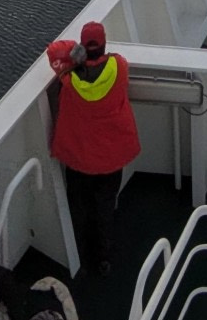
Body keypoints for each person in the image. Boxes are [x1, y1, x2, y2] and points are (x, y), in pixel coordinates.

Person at [47, 19, 141, 277]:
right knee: (105, 205)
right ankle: (104, 258)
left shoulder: (68, 77)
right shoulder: (119, 67)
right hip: (111, 158)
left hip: (79, 158)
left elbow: (53, 49)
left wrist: (75, 54)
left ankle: (81, 255)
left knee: (79, 205)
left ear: (81, 48)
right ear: (103, 44)